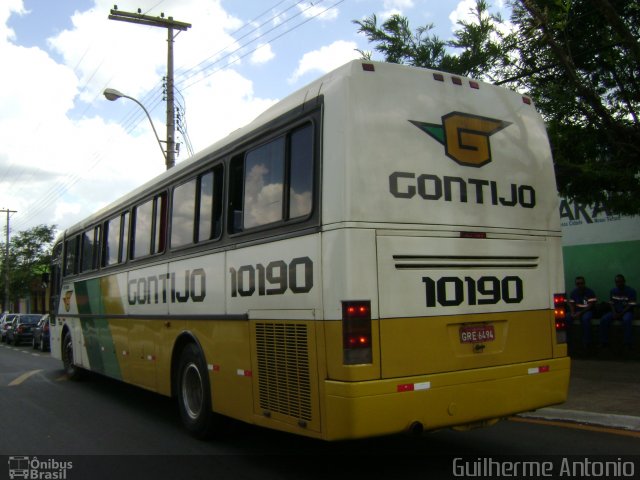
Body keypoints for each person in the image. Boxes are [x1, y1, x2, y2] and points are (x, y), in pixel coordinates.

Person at [599, 274, 637, 352]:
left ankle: (627, 343)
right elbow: (611, 303)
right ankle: (604, 342)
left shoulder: (631, 291)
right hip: (615, 311)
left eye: (620, 281)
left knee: (627, 320)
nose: (618, 283)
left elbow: (630, 305)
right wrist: (614, 312)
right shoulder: (613, 291)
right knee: (604, 319)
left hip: (626, 311)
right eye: (617, 282)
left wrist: (621, 313)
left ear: (624, 281)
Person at [567, 276, 597, 352]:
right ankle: (568, 341)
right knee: (567, 318)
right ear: (576, 284)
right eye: (578, 283)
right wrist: (573, 313)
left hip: (587, 311)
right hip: (577, 311)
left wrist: (580, 313)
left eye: (581, 283)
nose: (580, 285)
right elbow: (571, 304)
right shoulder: (574, 292)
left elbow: (591, 305)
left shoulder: (590, 292)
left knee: (585, 319)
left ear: (584, 283)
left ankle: (587, 343)